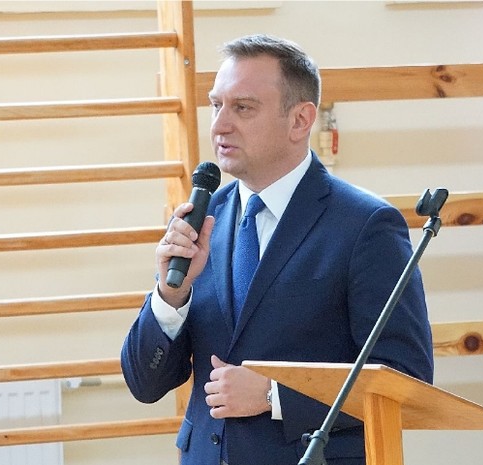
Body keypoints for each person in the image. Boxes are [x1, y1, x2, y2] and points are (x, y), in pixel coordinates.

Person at [121, 34, 434, 465]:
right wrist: (170, 295)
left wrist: (274, 395)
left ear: (300, 120)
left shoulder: (366, 225)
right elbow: (146, 384)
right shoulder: (203, 219)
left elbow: (405, 379)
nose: (219, 125)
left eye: (243, 107)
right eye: (216, 105)